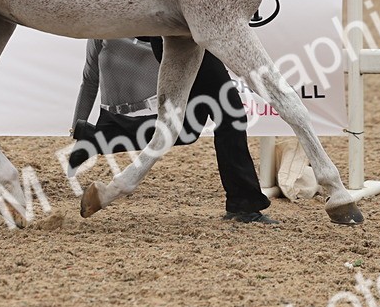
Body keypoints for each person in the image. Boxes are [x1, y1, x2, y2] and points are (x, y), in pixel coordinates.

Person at [70, 36, 275, 224]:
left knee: (189, 126)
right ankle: (244, 204)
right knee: (228, 115)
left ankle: (99, 138)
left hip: (186, 34)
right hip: (185, 35)